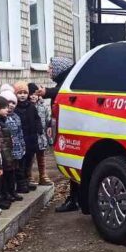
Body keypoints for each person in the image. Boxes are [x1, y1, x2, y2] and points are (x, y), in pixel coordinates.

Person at [46, 56, 80, 212]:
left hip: (71, 132)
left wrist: (45, 92)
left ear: (60, 69)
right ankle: (76, 198)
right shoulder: (66, 82)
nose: (48, 70)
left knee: (72, 165)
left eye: (51, 68)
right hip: (67, 129)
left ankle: (75, 199)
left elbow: (59, 93)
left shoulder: (66, 85)